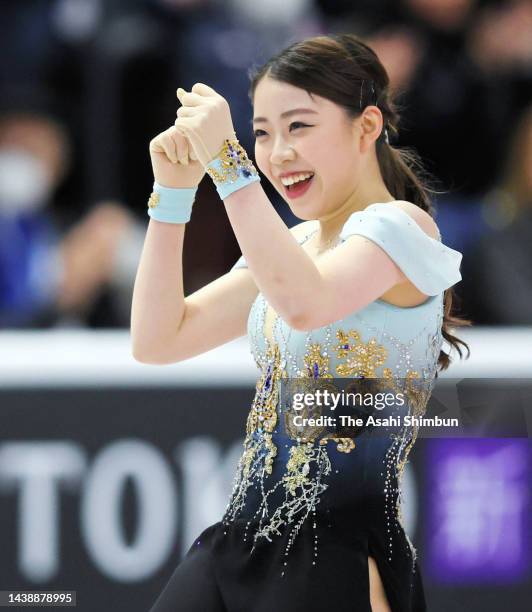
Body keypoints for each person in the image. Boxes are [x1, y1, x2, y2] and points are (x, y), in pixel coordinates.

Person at [132, 33, 470, 612]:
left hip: (331, 554)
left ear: (366, 127)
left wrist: (230, 164)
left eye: (299, 126)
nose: (277, 152)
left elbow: (306, 304)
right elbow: (158, 340)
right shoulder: (294, 247)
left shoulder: (401, 228)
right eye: (261, 132)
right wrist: (173, 196)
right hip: (237, 542)